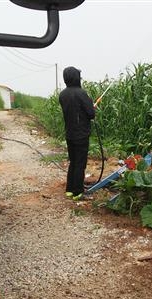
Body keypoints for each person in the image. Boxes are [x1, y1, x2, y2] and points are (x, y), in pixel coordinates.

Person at [58, 66, 95, 199]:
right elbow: (91, 114)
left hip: (70, 134)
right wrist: (92, 107)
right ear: (76, 77)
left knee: (73, 162)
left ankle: (70, 189)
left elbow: (74, 110)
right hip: (81, 135)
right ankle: (78, 192)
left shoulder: (62, 95)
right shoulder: (81, 93)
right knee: (80, 163)